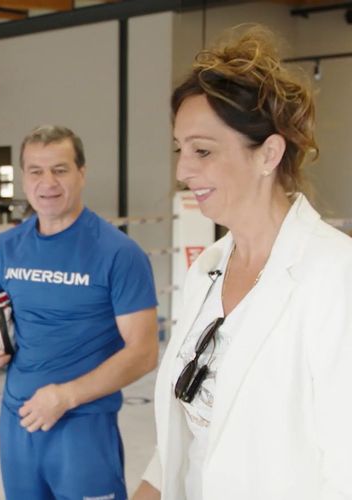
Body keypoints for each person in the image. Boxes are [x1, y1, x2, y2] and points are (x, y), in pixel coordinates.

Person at [132, 25, 352, 500]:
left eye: (203, 151)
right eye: (181, 149)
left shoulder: (336, 278)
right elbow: (190, 421)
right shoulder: (206, 271)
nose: (182, 170)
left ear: (269, 153)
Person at [0, 125, 160, 500]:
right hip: (17, 423)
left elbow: (144, 352)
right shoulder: (5, 249)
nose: (47, 182)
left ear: (82, 173)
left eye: (60, 169)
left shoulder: (119, 253)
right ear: (23, 178)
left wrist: (66, 396)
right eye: (36, 170)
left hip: (82, 425)